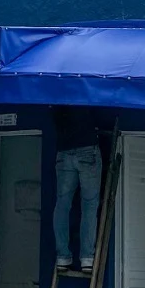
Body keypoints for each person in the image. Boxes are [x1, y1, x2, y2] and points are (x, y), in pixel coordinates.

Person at [52, 107, 103, 272]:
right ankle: (87, 257)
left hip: (63, 151)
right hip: (87, 147)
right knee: (89, 205)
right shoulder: (82, 83)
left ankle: (63, 256)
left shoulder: (54, 86)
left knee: (62, 205)